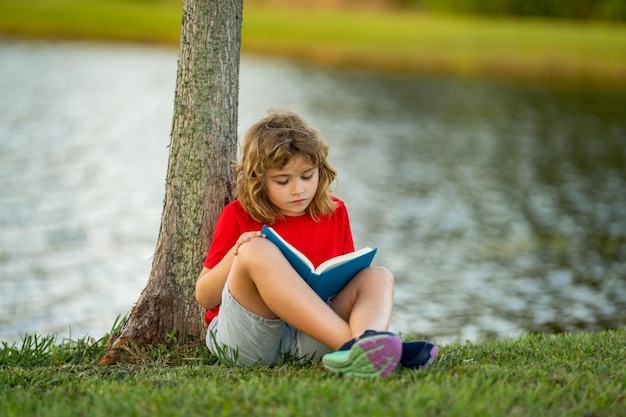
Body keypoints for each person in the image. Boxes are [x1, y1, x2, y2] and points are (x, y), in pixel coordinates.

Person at [195, 108, 438, 377]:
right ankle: (359, 350)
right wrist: (237, 251)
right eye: (282, 180)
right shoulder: (239, 214)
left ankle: (367, 341)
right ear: (259, 180)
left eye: (307, 176)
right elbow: (205, 297)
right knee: (257, 250)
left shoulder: (335, 212)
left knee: (378, 276)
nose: (298, 189)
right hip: (250, 341)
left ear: (321, 170)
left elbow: (346, 279)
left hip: (311, 337)